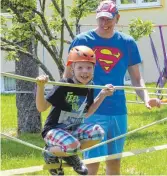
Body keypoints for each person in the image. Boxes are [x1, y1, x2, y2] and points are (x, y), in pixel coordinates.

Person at [63, 1, 161, 175]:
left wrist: (146, 98)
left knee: (115, 161)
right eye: (100, 19)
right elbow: (67, 76)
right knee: (92, 163)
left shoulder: (127, 43)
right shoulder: (83, 41)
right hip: (91, 111)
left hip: (118, 110)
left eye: (108, 19)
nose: (104, 23)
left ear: (117, 18)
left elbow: (137, 79)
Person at [36, 45, 115, 175]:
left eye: (89, 67)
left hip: (73, 129)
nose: (85, 71)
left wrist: (102, 95)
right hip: (54, 130)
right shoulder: (64, 85)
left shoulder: (89, 87)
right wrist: (40, 87)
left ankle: (69, 153)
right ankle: (50, 153)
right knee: (72, 145)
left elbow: (87, 112)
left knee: (98, 133)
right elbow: (41, 107)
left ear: (93, 69)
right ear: (72, 69)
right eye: (80, 67)